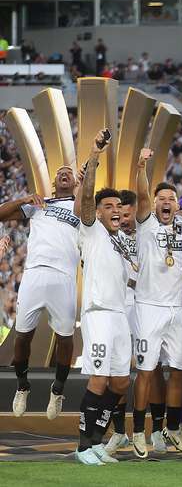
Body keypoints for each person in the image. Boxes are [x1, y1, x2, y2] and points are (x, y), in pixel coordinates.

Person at [0, 166, 79, 420]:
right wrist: (23, 199)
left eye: (69, 172)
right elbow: (1, 215)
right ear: (55, 182)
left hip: (64, 276)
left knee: (66, 338)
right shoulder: (39, 204)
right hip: (34, 273)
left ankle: (58, 390)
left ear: (75, 182)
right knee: (22, 337)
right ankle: (22, 385)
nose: (64, 173)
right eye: (61, 172)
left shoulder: (80, 208)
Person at [74, 130, 132, 465]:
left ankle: (97, 440)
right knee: (98, 379)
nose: (113, 210)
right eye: (107, 205)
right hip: (97, 314)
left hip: (120, 317)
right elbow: (85, 200)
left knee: (121, 382)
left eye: (117, 206)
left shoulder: (121, 242)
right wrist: (95, 154)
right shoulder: (91, 230)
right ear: (97, 211)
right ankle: (83, 446)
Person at [130, 147, 182, 456]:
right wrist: (142, 166)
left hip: (177, 310)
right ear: (153, 204)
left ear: (178, 204)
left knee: (179, 370)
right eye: (161, 199)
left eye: (171, 199)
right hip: (148, 307)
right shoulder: (146, 222)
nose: (167, 203)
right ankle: (139, 431)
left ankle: (175, 429)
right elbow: (140, 195)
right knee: (146, 370)